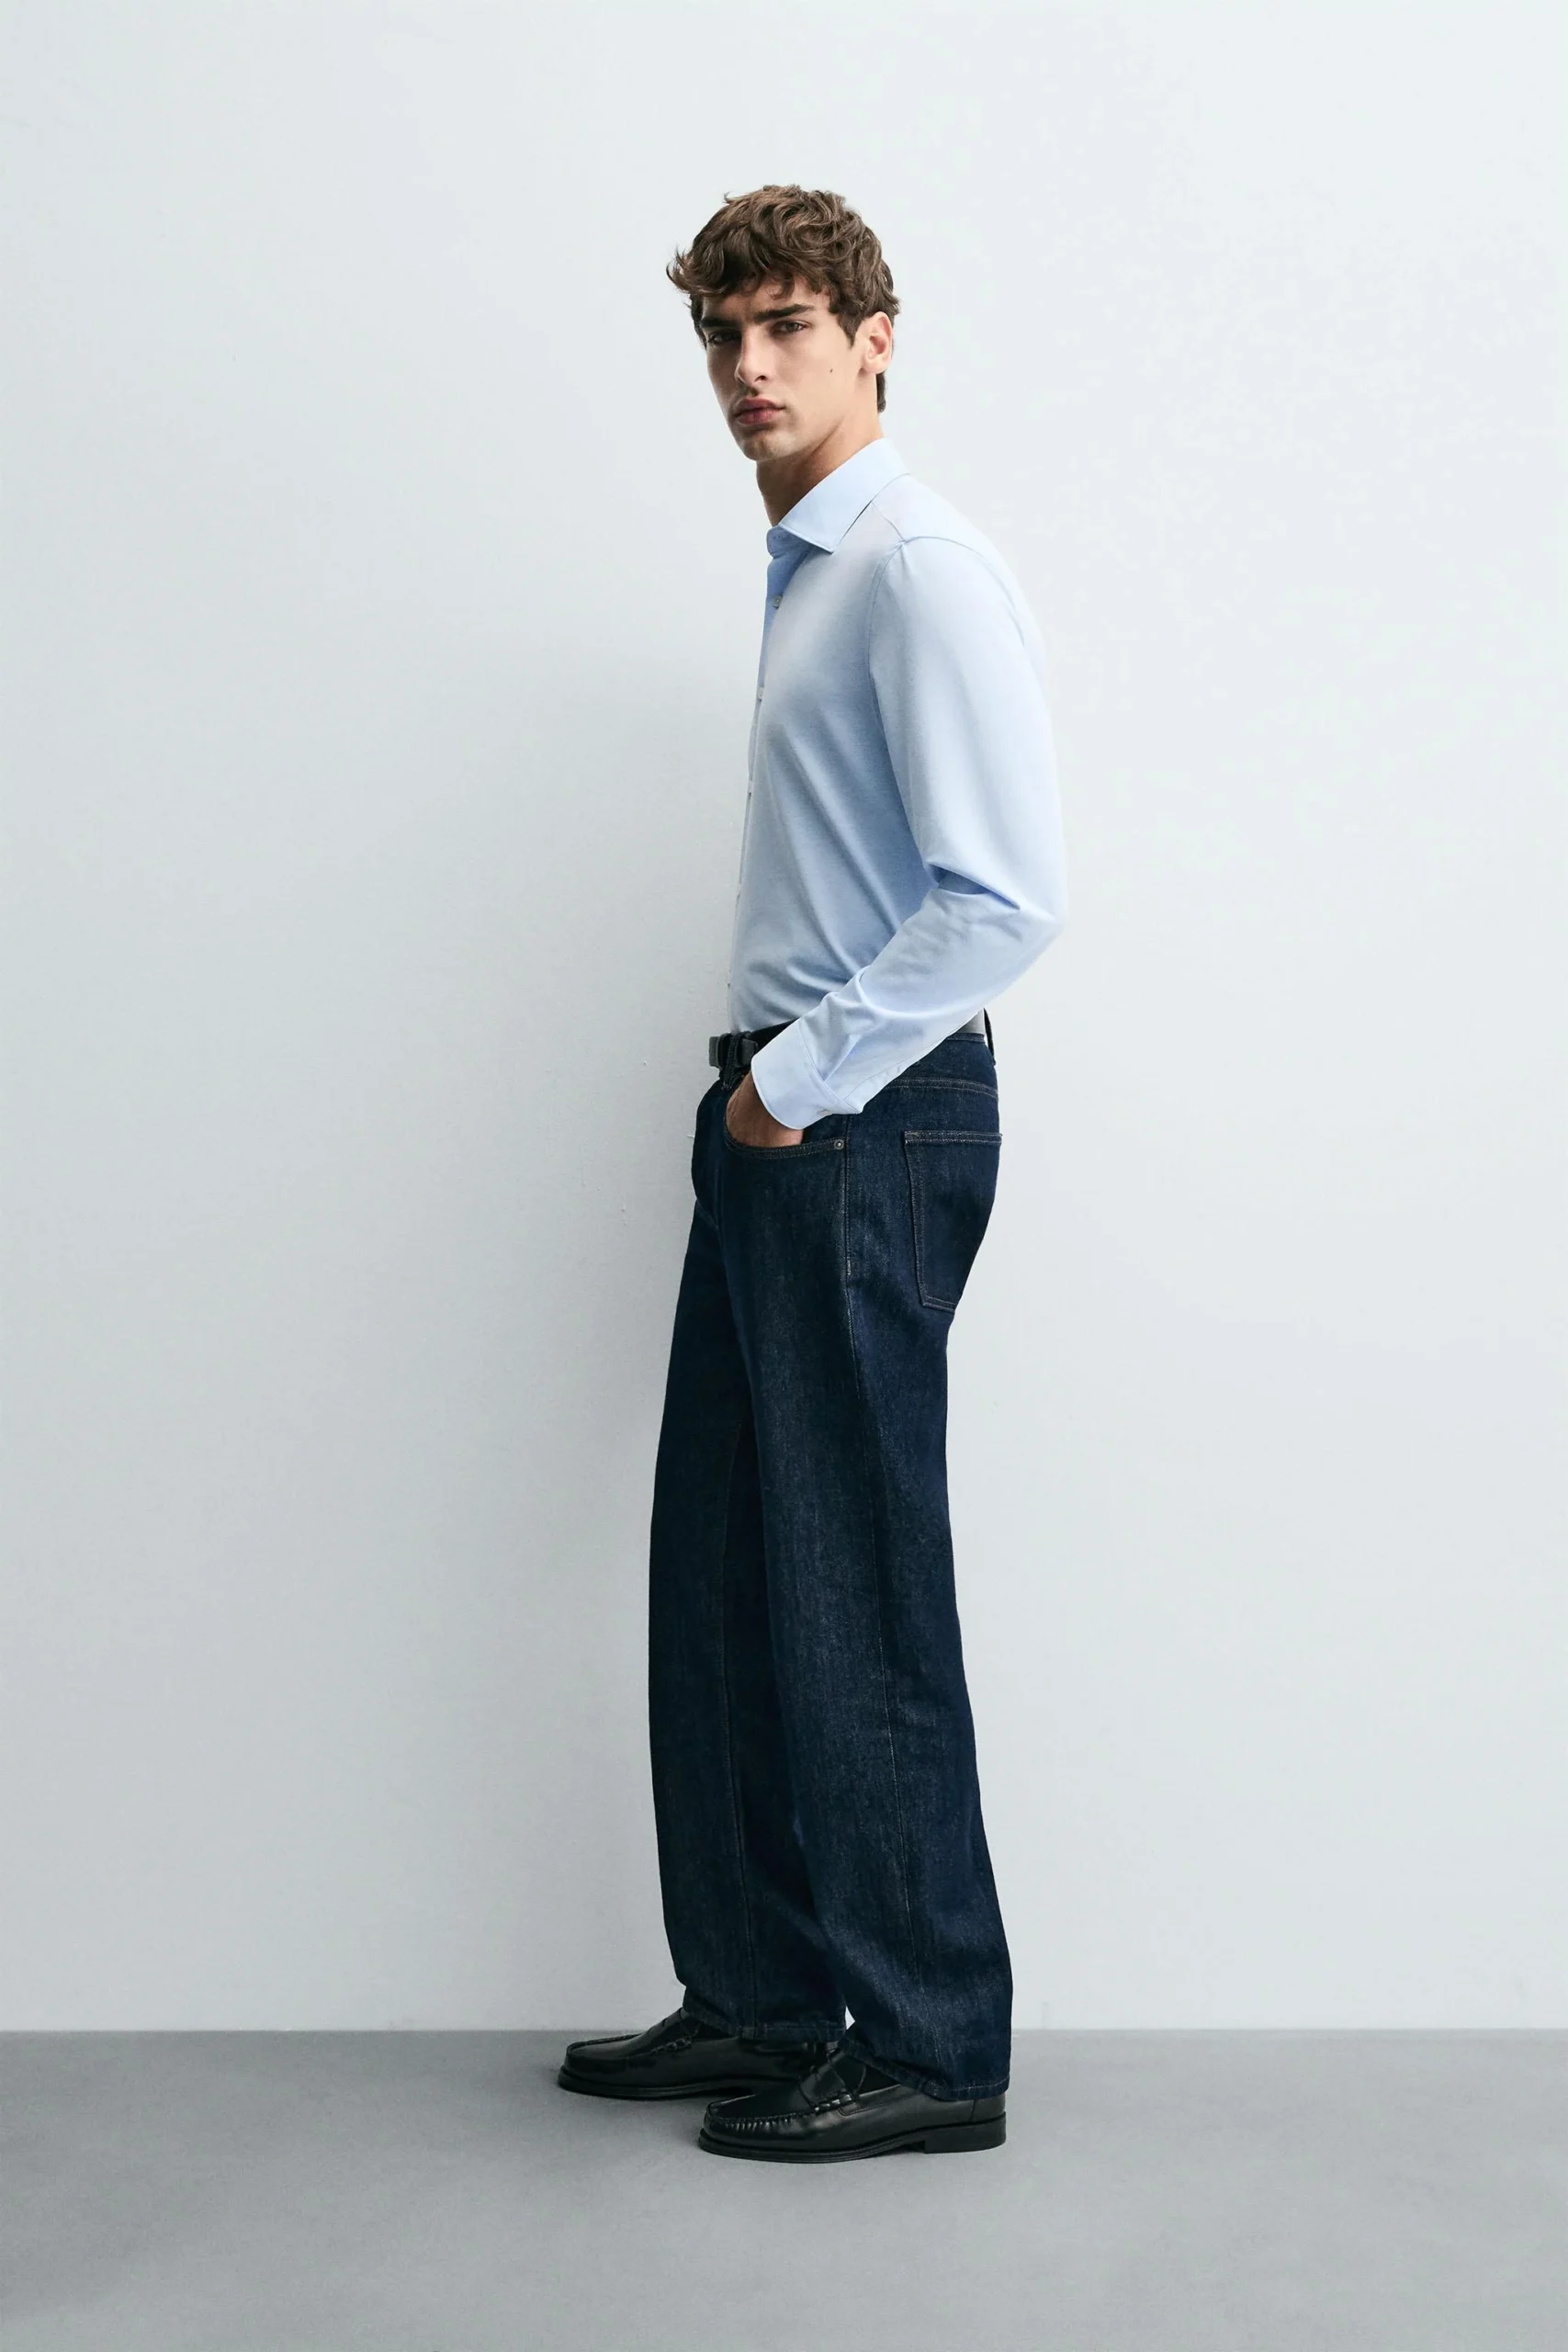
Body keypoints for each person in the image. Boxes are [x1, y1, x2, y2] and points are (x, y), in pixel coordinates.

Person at [558, 185, 1067, 2161]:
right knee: (724, 1574)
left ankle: (929, 2039)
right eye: (722, 333)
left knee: (853, 1580)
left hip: (866, 1112)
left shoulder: (916, 567)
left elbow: (1004, 896)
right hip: (787, 1109)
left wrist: (794, 1079)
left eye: (785, 327)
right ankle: (765, 1997)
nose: (747, 366)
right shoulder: (809, 571)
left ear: (874, 338)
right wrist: (761, 1094)